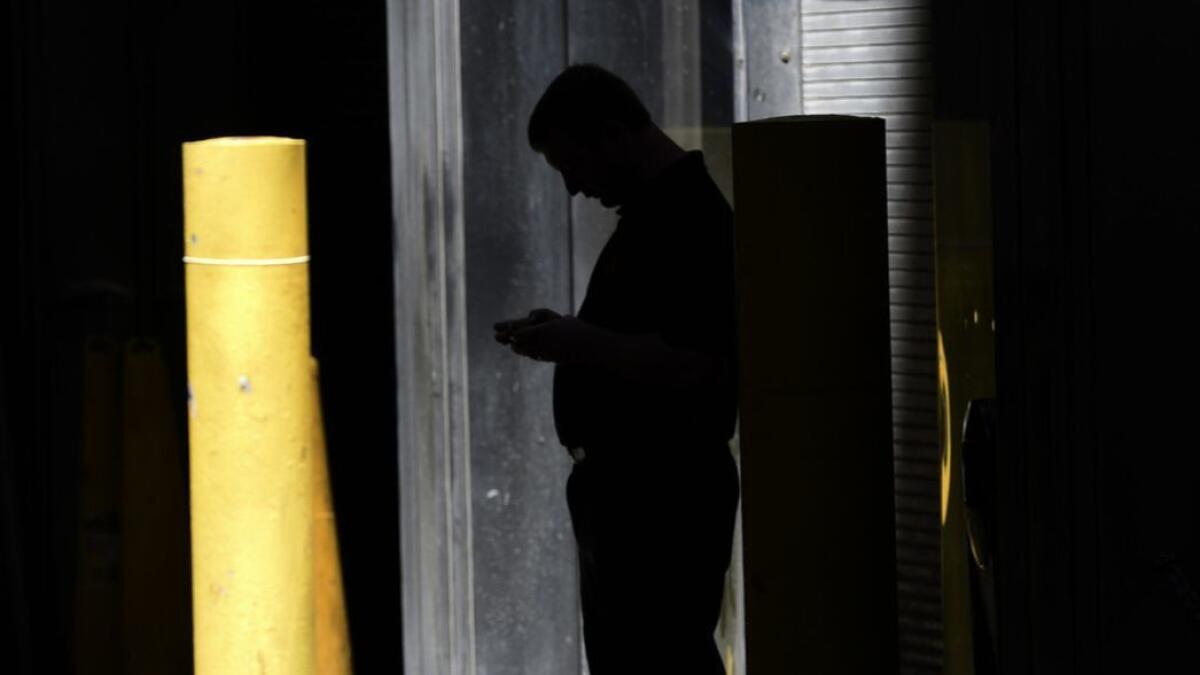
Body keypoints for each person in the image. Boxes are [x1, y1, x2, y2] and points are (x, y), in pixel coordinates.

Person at [493, 64, 738, 674]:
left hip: (659, 504)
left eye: (570, 164)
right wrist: (572, 336)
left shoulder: (689, 223)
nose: (574, 188)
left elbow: (702, 368)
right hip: (633, 501)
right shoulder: (657, 219)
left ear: (611, 134)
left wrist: (578, 343)